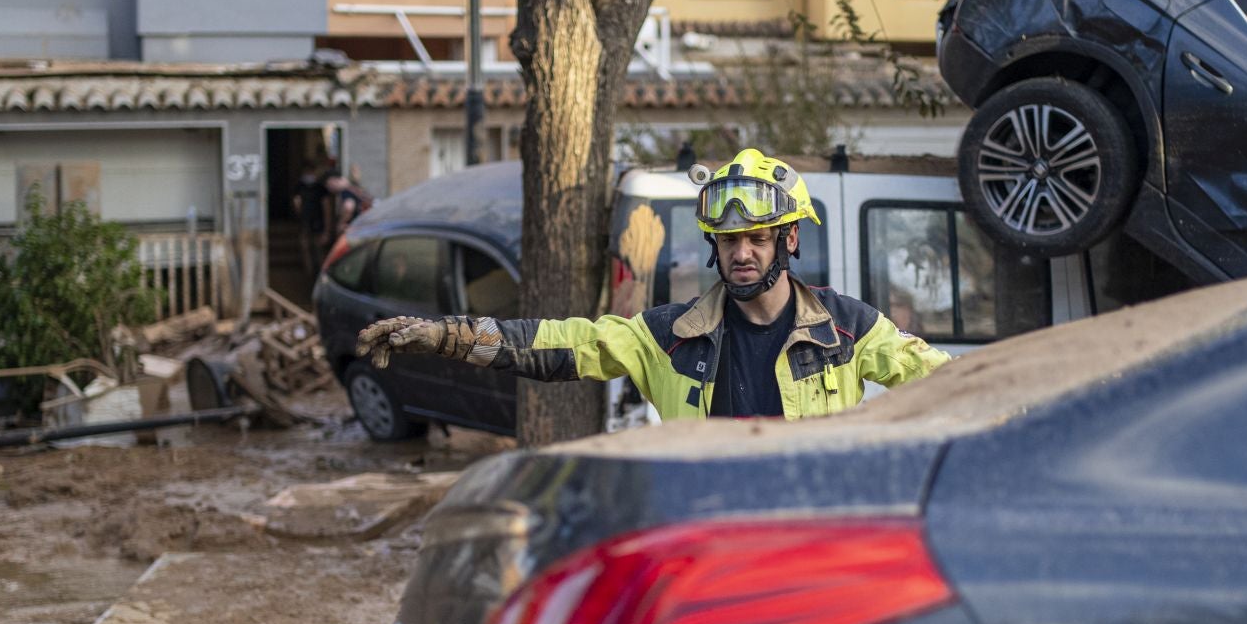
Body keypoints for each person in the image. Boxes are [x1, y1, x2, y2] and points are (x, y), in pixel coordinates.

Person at [355, 149, 950, 420]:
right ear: (713, 245)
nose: (741, 253)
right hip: (702, 554)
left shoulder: (846, 330)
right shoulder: (670, 336)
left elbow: (953, 382)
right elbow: (566, 344)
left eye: (759, 239)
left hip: (804, 558)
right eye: (728, 240)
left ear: (790, 240)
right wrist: (447, 336)